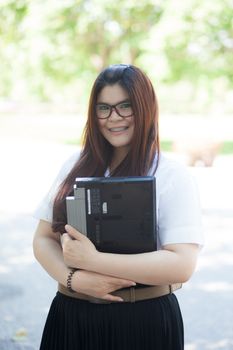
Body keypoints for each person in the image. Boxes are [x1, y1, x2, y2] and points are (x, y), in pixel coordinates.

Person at [33, 64, 204, 350]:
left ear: (146, 108)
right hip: (71, 316)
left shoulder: (171, 174)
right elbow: (42, 239)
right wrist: (74, 280)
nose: (114, 118)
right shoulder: (76, 164)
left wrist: (93, 261)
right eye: (104, 108)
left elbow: (182, 264)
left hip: (143, 321)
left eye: (126, 106)